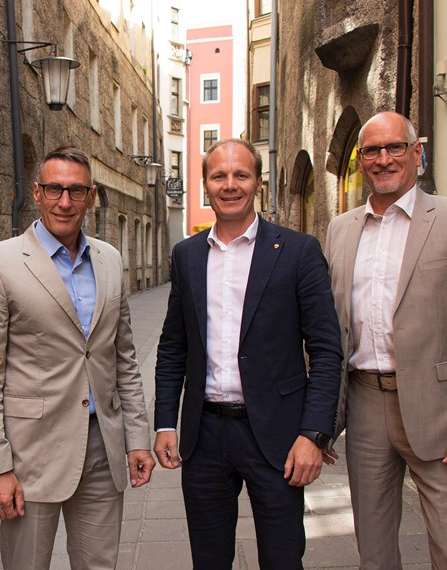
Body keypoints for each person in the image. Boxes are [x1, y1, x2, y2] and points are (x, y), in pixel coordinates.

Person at [325, 111, 447, 569]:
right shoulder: (340, 229)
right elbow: (333, 330)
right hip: (365, 404)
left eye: (395, 148)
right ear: (360, 161)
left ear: (417, 154)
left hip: (442, 412)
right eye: (371, 151)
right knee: (374, 546)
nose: (384, 159)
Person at [0, 146, 155, 569]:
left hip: (103, 448)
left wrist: (137, 437)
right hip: (30, 455)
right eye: (54, 189)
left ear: (91, 195)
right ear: (37, 192)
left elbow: (122, 359)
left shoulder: (109, 259)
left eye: (75, 190)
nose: (64, 201)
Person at [154, 138, 343, 569]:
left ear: (259, 182)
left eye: (241, 175)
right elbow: (173, 347)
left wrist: (314, 434)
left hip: (277, 436)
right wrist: (166, 422)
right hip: (204, 438)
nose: (230, 185)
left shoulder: (298, 251)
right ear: (205, 184)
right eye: (219, 175)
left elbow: (326, 350)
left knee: (281, 559)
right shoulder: (186, 256)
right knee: (210, 559)